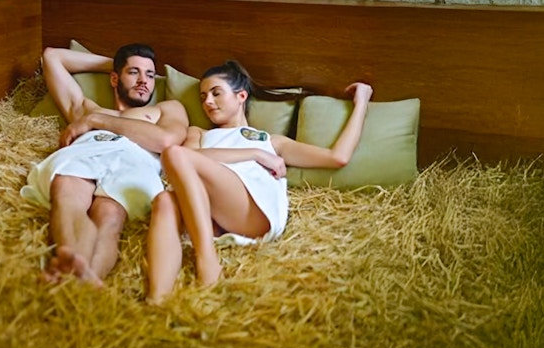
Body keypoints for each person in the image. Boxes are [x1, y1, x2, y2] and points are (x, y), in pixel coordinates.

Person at [146, 60, 373, 304]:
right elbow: (184, 162)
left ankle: (207, 261)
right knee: (164, 199)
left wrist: (362, 102)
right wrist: (253, 154)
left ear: (241, 95)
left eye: (216, 93)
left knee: (175, 154)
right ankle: (157, 300)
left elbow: (337, 157)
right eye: (203, 97)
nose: (207, 102)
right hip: (209, 215)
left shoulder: (271, 141)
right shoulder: (199, 134)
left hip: (252, 213)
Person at [22, 43, 189, 285]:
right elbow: (52, 57)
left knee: (109, 215)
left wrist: (97, 120)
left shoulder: (166, 109)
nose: (144, 81)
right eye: (134, 72)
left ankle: (80, 278)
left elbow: (165, 140)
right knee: (66, 192)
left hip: (136, 159)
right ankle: (77, 270)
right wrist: (115, 63)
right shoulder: (86, 109)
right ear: (114, 78)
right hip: (91, 147)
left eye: (150, 75)